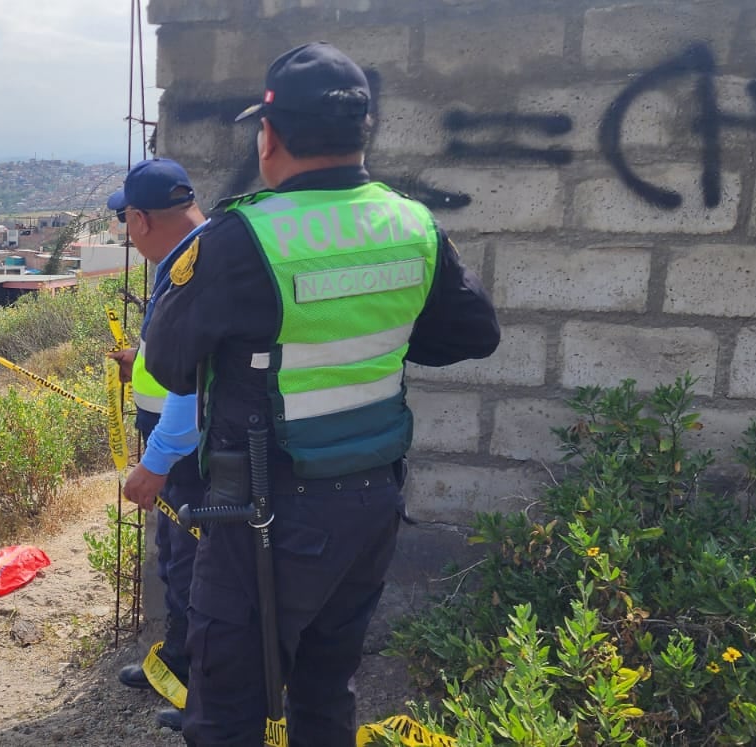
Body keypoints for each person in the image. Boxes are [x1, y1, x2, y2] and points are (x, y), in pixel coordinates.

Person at [143, 43, 500, 747]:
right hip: (370, 504)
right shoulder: (411, 223)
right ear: (363, 134)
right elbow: (474, 332)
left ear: (268, 137)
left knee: (226, 712)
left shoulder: (243, 238)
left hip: (264, 515)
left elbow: (171, 360)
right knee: (326, 690)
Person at [104, 159, 208, 732]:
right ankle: (176, 661)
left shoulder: (195, 270)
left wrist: (155, 462)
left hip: (183, 450)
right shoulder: (187, 261)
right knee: (175, 555)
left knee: (192, 562)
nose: (126, 234)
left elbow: (193, 388)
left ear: (140, 219)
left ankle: (200, 688)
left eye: (125, 222)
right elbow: (178, 359)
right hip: (171, 443)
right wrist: (137, 360)